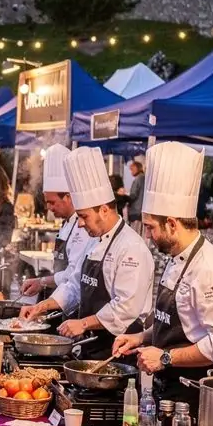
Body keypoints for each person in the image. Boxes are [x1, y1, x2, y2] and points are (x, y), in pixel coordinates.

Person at [113, 142, 213, 413]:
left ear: (172, 224)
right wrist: (143, 337)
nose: (147, 235)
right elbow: (180, 323)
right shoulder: (176, 258)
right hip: (170, 392)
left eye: (150, 228)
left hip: (198, 401)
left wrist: (164, 357)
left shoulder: (211, 270)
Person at [21, 147, 154, 359]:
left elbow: (124, 309)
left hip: (117, 352)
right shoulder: (93, 241)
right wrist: (42, 306)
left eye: (84, 216)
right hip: (90, 346)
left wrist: (83, 323)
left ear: (104, 209)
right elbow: (74, 285)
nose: (80, 224)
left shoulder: (131, 248)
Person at [20, 145, 92, 301]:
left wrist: (42, 282)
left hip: (73, 302)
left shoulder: (84, 228)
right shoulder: (66, 223)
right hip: (61, 298)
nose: (49, 208)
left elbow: (73, 275)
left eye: (52, 202)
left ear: (68, 196)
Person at [126, 158, 145, 229]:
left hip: (135, 212)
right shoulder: (144, 178)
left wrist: (123, 196)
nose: (131, 172)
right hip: (142, 212)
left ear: (137, 168)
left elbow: (133, 195)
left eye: (132, 169)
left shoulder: (137, 179)